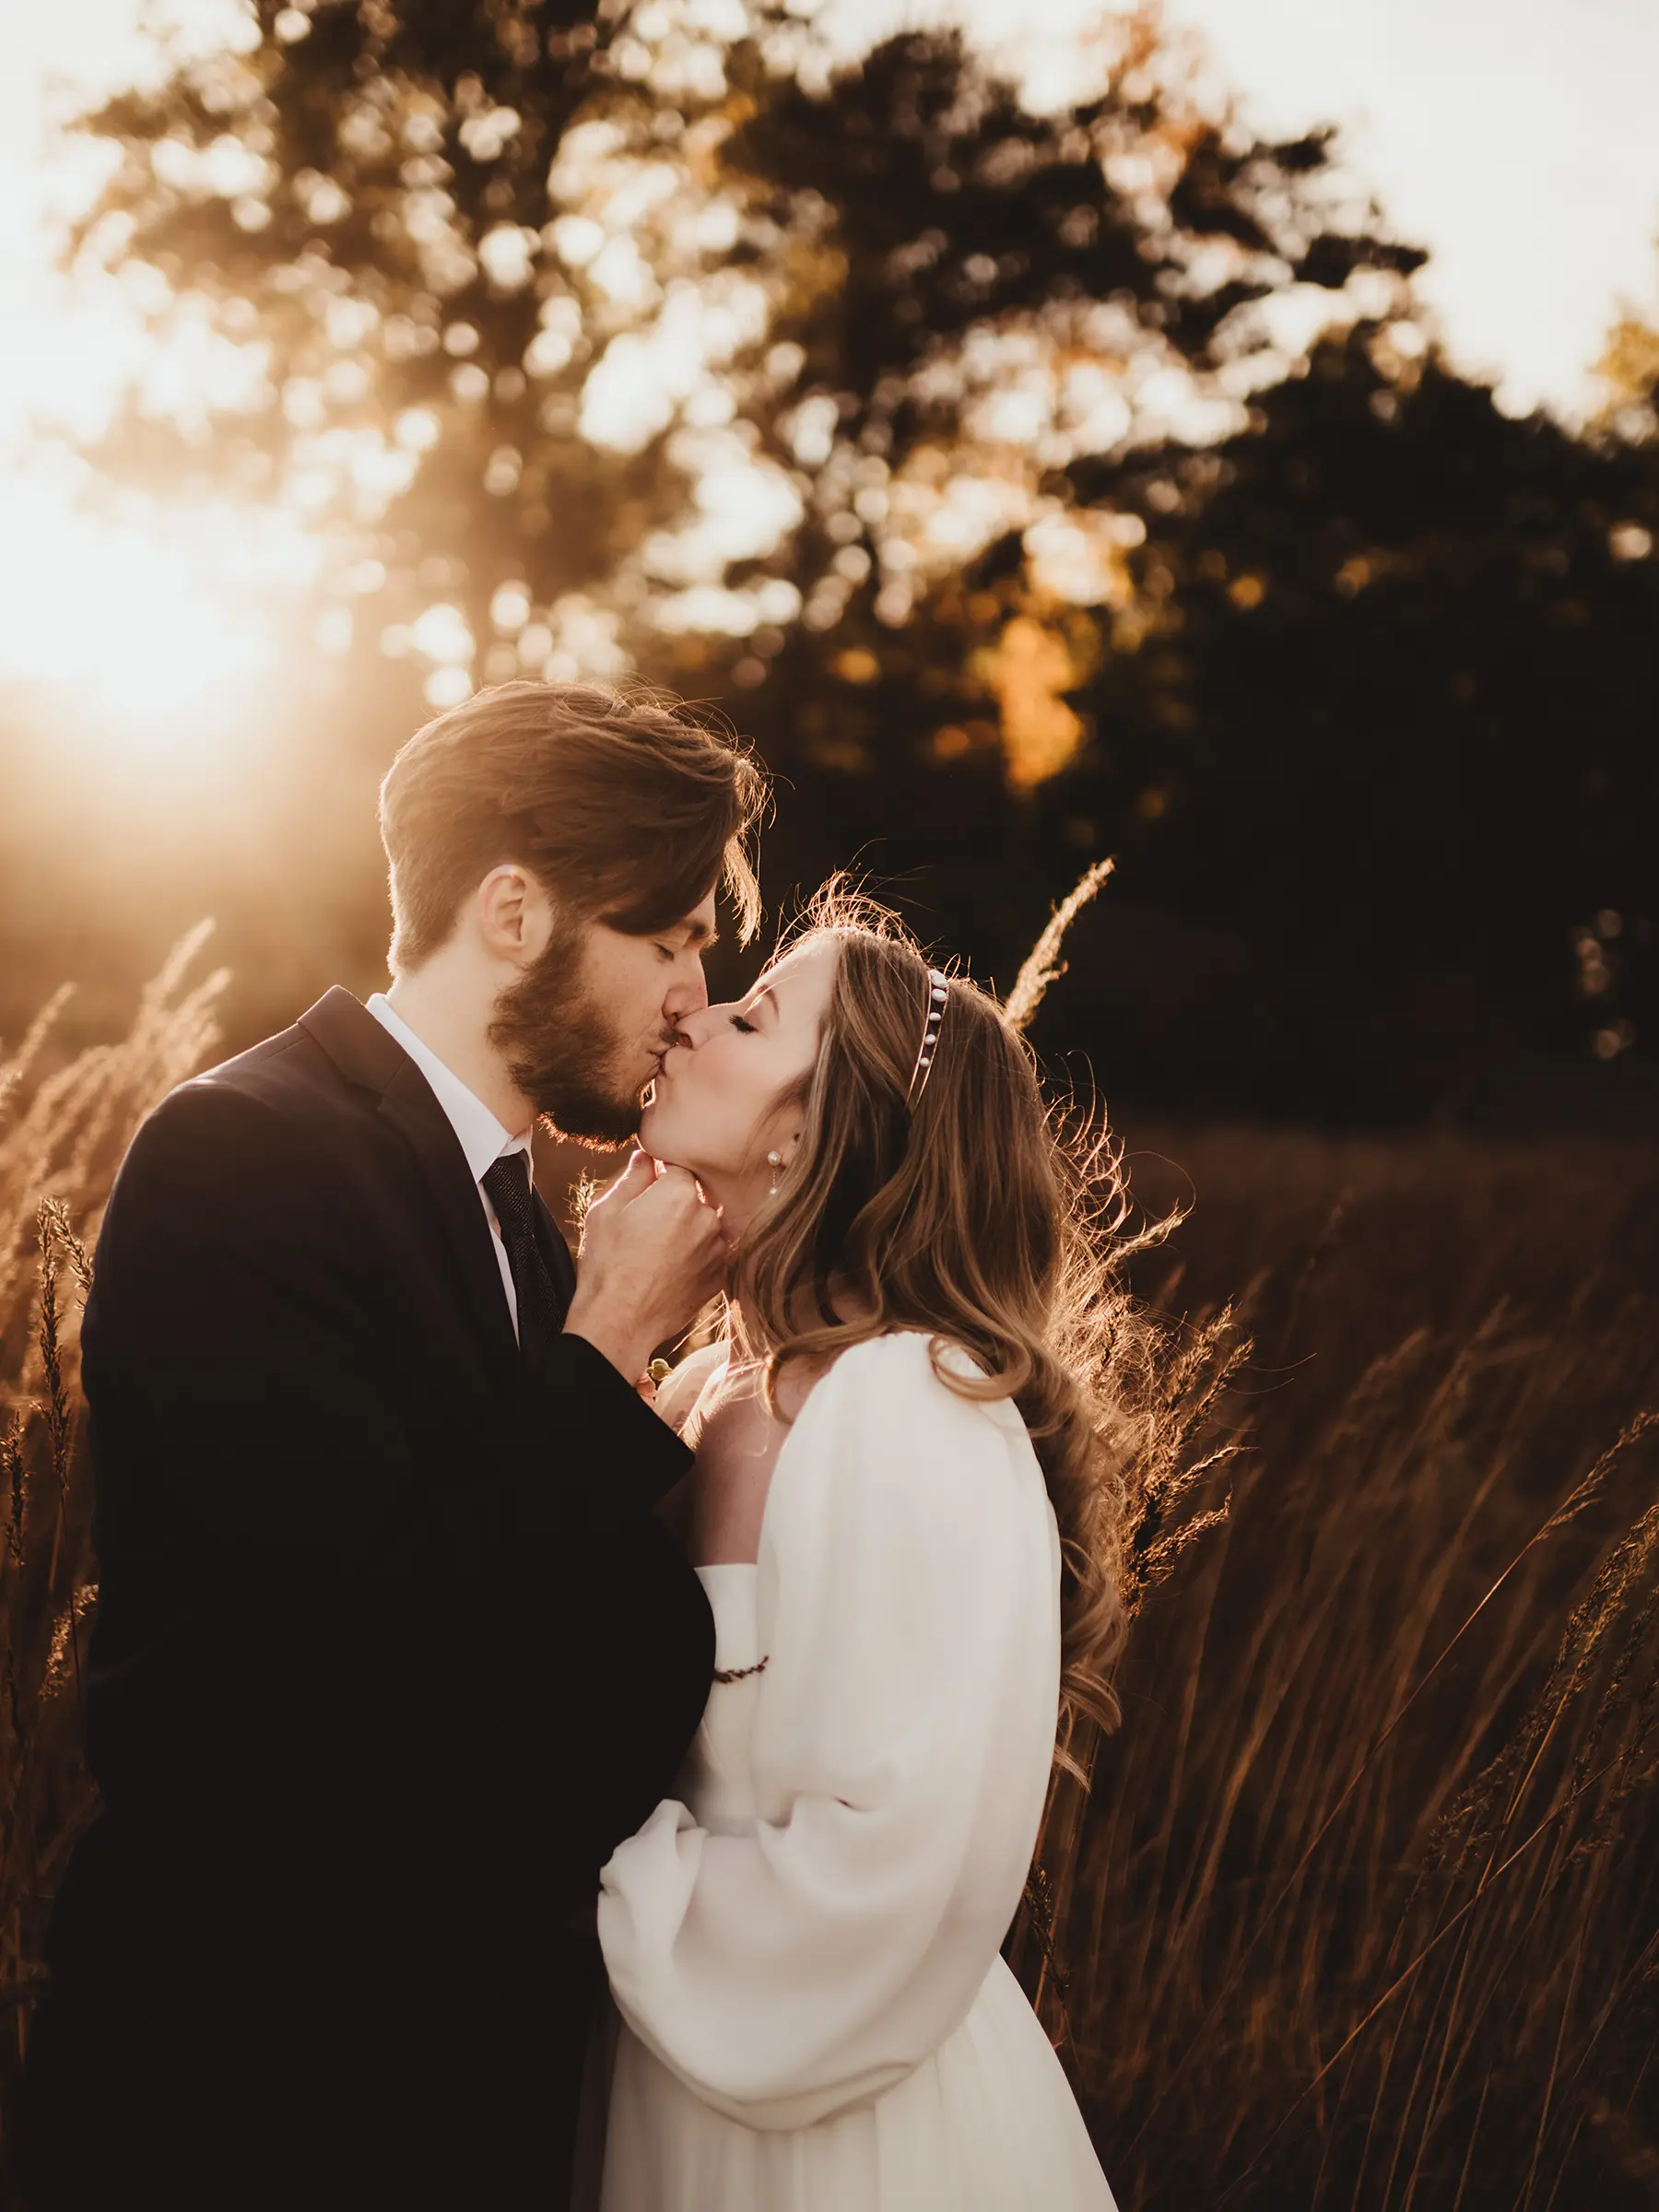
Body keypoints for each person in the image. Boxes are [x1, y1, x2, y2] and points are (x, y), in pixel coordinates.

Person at [14, 682, 766, 2210]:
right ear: (511, 910)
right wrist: (607, 1358)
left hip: (451, 2077)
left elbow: (563, 1643)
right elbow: (338, 1655)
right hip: (230, 2087)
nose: (697, 990)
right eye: (671, 938)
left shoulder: (528, 1227)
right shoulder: (244, 1151)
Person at [591, 886, 1123, 2210]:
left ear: (816, 1131)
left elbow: (896, 1860)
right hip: (665, 2062)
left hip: (832, 2120)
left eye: (754, 1016)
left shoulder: (913, 1405)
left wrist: (591, 1880)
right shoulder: (703, 1383)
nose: (697, 1017)